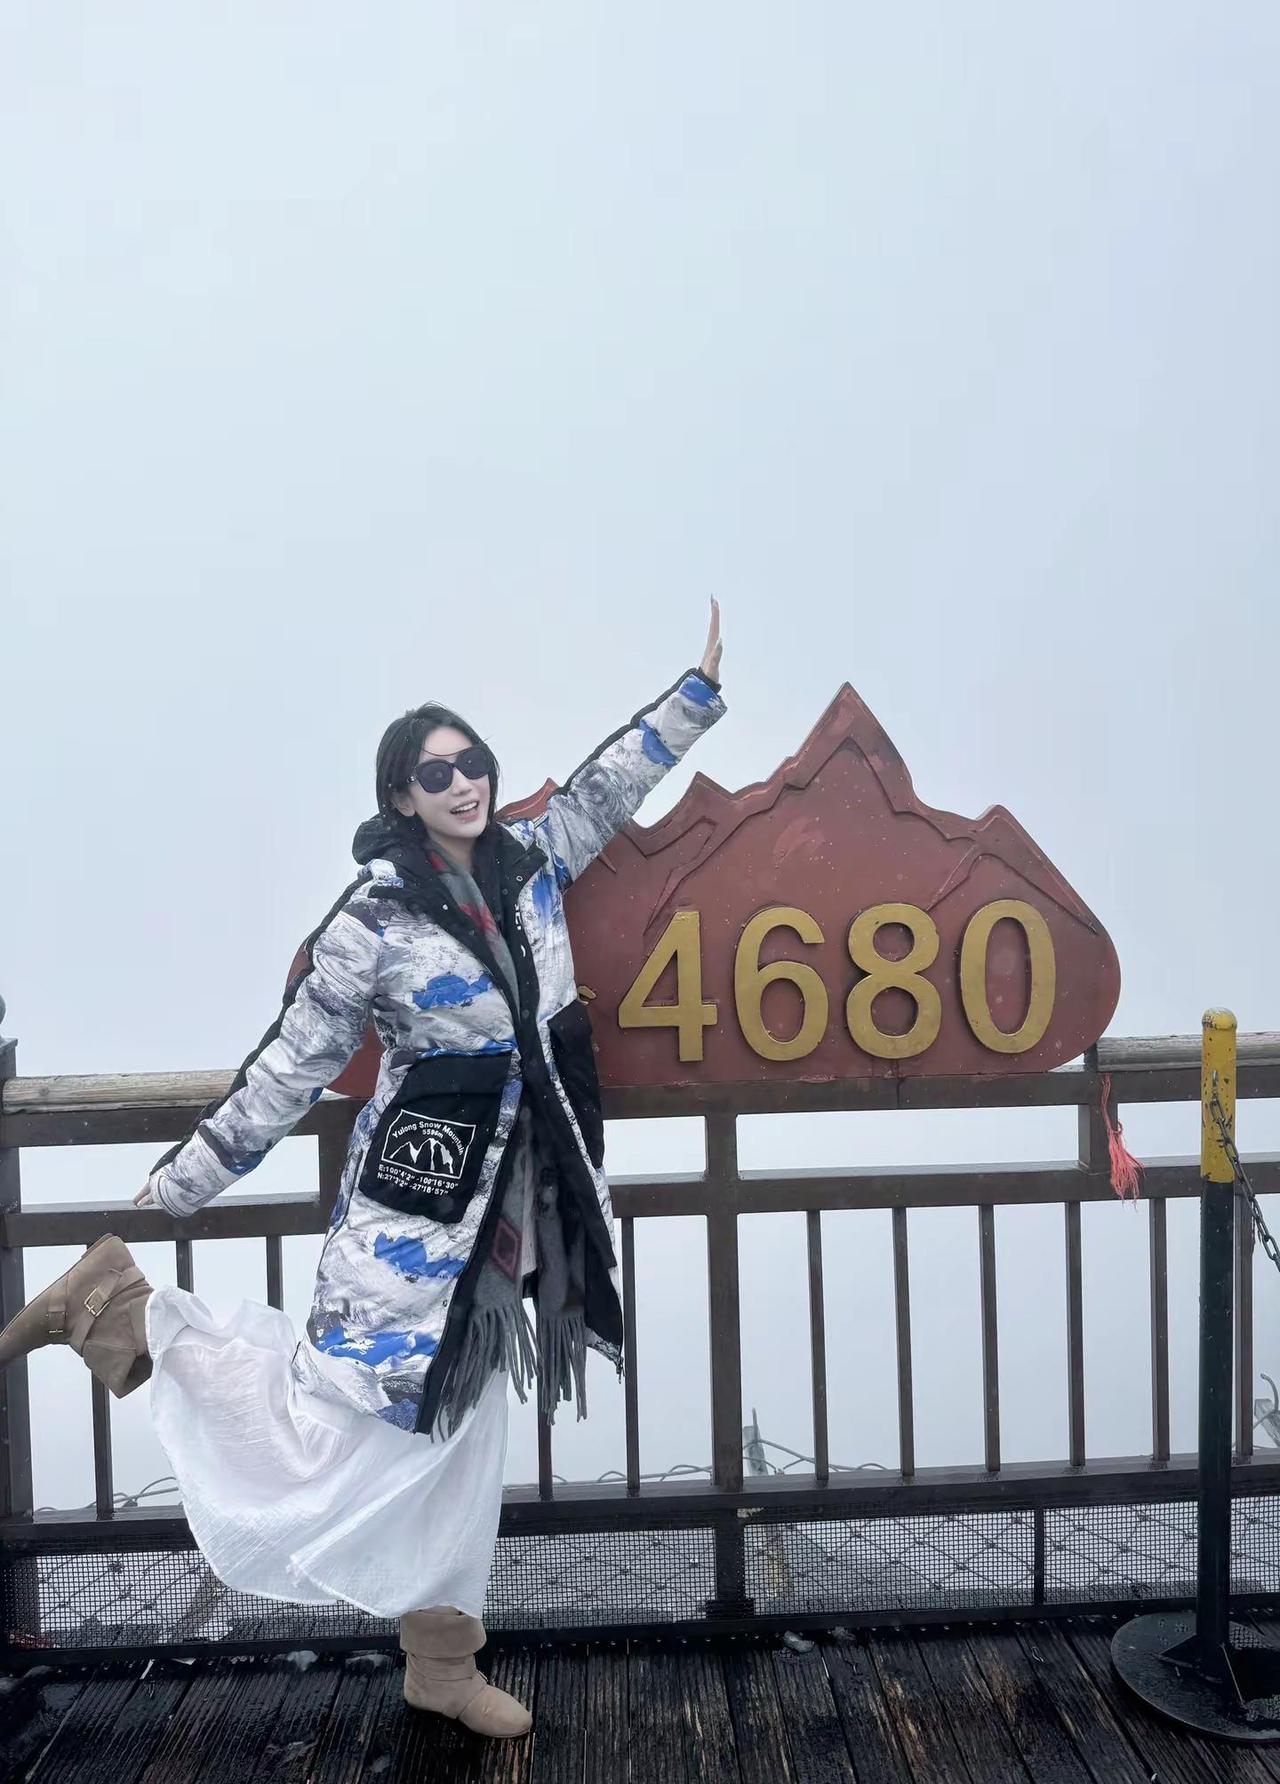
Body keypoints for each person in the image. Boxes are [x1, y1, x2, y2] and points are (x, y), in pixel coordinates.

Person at [0, 605, 726, 1739]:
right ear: (400, 794)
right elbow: (293, 1064)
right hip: (415, 1222)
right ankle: (124, 1312)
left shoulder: (532, 859)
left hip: (519, 1211)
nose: (463, 782)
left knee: (461, 1441)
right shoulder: (372, 921)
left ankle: (442, 1664)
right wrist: (188, 1176)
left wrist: (692, 696)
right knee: (338, 1424)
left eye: (473, 761)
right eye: (436, 772)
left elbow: (604, 788)